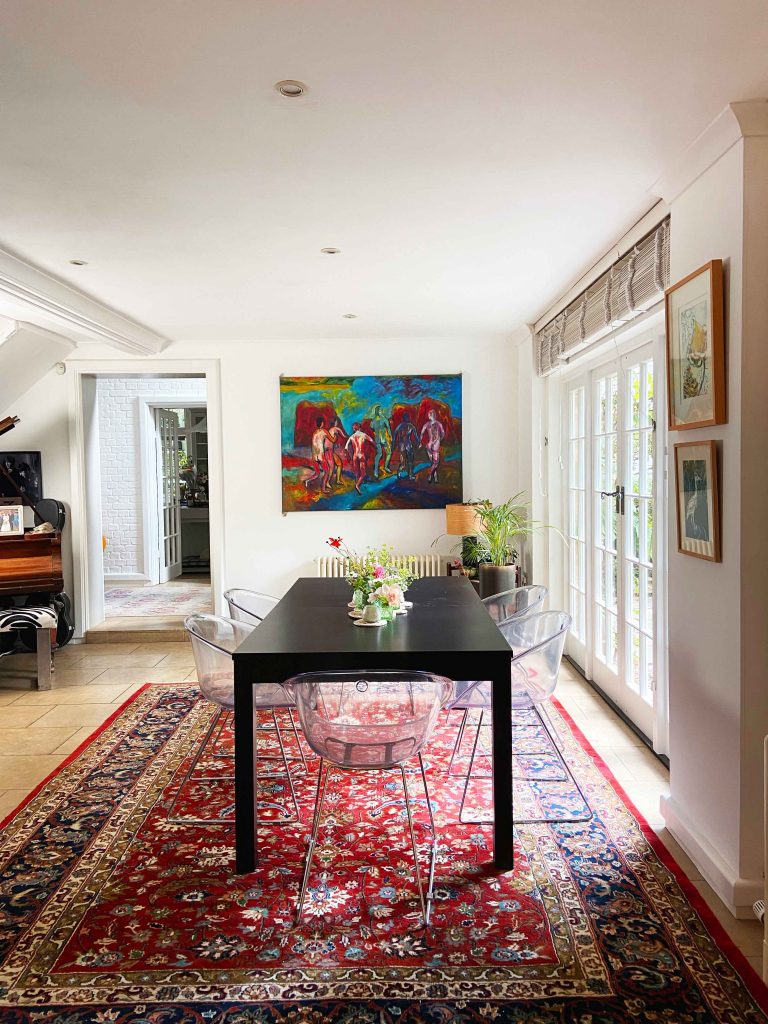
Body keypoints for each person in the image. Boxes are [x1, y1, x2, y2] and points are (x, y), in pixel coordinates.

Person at [305, 417, 332, 492]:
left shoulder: (315, 432)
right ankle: (323, 489)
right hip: (321, 455)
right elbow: (333, 440)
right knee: (327, 471)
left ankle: (307, 481)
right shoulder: (324, 431)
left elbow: (315, 444)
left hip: (314, 455)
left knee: (317, 473)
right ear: (322, 423)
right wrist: (335, 435)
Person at [345, 423, 373, 495]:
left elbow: (346, 447)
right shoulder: (363, 435)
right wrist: (375, 446)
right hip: (361, 455)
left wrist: (348, 455)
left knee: (357, 473)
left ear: (354, 429)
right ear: (359, 428)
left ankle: (358, 485)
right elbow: (372, 441)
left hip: (355, 456)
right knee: (363, 474)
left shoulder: (352, 437)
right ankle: (357, 485)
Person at [420, 409, 445, 483]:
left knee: (433, 463)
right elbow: (443, 433)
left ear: (430, 416)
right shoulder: (439, 424)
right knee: (435, 463)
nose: (428, 416)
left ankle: (434, 477)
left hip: (429, 444)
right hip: (435, 445)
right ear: (434, 415)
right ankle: (430, 475)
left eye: (429, 415)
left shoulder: (427, 424)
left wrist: (421, 442)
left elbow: (421, 433)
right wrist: (439, 439)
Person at [392, 412, 419, 480]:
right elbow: (416, 436)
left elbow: (395, 435)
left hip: (402, 445)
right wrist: (419, 442)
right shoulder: (411, 426)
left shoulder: (400, 426)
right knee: (409, 461)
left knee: (404, 462)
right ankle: (410, 475)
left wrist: (394, 444)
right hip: (407, 445)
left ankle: (400, 473)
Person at [369, 404, 392, 479]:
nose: (381, 411)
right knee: (384, 453)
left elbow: (372, 428)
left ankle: (379, 469)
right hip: (382, 439)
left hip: (379, 439)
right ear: (377, 411)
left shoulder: (373, 420)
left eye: (381, 410)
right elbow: (388, 428)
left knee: (383, 453)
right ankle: (381, 468)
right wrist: (390, 435)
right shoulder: (383, 419)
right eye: (380, 410)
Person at [327, 416, 347, 485]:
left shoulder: (329, 430)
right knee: (335, 465)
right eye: (336, 422)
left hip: (327, 450)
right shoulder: (336, 429)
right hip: (329, 451)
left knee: (337, 464)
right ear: (335, 422)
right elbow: (344, 436)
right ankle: (330, 482)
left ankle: (337, 480)